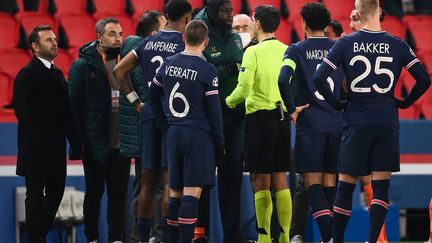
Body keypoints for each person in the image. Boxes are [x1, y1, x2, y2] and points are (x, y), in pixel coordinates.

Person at [313, 0, 431, 242]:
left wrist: (336, 103)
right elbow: (423, 79)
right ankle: (373, 239)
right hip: (386, 119)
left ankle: (337, 240)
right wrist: (405, 102)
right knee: (381, 186)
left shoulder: (347, 42)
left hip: (356, 117)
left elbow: (319, 77)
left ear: (357, 13)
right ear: (378, 11)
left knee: (345, 184)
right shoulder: (397, 43)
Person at [113, 1, 192, 242]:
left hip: (148, 114)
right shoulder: (183, 43)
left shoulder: (148, 42)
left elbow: (118, 70)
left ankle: (142, 236)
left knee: (147, 181)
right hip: (174, 115)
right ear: (188, 19)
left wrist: (137, 103)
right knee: (171, 182)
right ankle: (168, 237)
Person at [147, 19, 224, 243]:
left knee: (175, 193)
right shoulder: (207, 70)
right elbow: (215, 113)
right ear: (206, 42)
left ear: (183, 38)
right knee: (192, 194)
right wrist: (219, 143)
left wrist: (164, 123)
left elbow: (151, 95)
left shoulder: (168, 63)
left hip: (173, 132)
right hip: (197, 134)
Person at [278, 3, 344, 243]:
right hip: (337, 123)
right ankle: (332, 237)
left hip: (311, 124)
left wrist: (291, 108)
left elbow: (283, 79)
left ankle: (329, 237)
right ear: (327, 25)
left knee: (310, 183)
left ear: (304, 23)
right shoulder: (339, 47)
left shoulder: (295, 50)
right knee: (330, 181)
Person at [225, 5, 292, 243]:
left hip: (259, 119)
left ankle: (264, 238)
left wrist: (227, 102)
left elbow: (243, 88)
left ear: (258, 24)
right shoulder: (287, 50)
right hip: (282, 118)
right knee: (280, 178)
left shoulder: (252, 53)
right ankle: (284, 237)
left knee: (259, 179)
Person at [68, 17, 131, 243]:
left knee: (118, 195)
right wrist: (79, 144)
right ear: (99, 37)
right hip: (95, 144)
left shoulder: (129, 62)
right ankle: (92, 238)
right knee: (94, 195)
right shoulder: (83, 65)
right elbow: (73, 106)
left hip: (121, 144)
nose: (118, 38)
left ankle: (116, 238)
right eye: (112, 33)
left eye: (120, 33)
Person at [13, 25, 75, 243]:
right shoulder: (27, 73)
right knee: (35, 197)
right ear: (35, 47)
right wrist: (40, 140)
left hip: (56, 149)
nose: (55, 43)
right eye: (49, 40)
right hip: (36, 149)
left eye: (55, 39)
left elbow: (66, 112)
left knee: (56, 193)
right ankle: (36, 238)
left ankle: (38, 234)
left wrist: (74, 143)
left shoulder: (58, 74)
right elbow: (22, 111)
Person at [194, 1, 244, 241]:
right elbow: (200, 72)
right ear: (214, 12)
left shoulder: (235, 37)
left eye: (231, 11)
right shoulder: (199, 32)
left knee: (231, 181)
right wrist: (228, 70)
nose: (230, 15)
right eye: (225, 11)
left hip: (235, 120)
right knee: (203, 180)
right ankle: (200, 233)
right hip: (207, 120)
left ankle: (231, 236)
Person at [120, 10, 167, 243]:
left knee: (149, 185)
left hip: (143, 128)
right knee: (148, 185)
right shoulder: (143, 57)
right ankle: (143, 236)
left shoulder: (139, 54)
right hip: (145, 130)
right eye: (164, 26)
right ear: (154, 33)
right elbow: (143, 90)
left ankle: (149, 236)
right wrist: (137, 103)